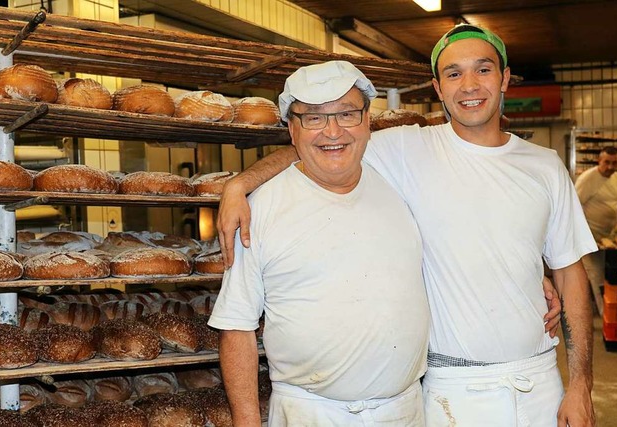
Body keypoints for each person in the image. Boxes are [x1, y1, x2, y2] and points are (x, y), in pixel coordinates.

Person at [216, 24, 596, 427]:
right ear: (437, 87)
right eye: (453, 73)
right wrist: (239, 185)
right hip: (451, 386)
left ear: (504, 78)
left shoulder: (545, 166)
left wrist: (581, 385)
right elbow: (322, 148)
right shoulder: (406, 149)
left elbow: (571, 273)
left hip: (538, 379)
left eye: (483, 70)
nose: (469, 85)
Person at [209, 61, 431, 426]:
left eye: (346, 113)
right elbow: (237, 326)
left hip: (404, 410)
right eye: (313, 118)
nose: (333, 131)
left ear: (367, 121)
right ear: (291, 130)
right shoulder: (260, 210)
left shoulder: (399, 180)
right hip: (310, 413)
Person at [575, 146, 617, 315]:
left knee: (611, 273)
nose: (611, 167)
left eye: (615, 163)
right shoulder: (587, 179)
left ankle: (613, 306)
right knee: (597, 275)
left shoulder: (616, 177)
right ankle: (606, 314)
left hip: (610, 237)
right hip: (591, 237)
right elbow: (573, 207)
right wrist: (581, 234)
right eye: (607, 163)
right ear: (599, 161)